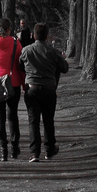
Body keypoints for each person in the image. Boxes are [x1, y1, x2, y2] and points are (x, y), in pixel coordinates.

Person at [19, 22, 68, 162]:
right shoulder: (53, 52)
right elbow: (64, 68)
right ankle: (50, 149)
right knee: (48, 120)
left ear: (33, 35)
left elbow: (20, 66)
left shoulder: (26, 50)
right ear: (47, 36)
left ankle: (34, 153)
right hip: (48, 89)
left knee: (33, 121)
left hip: (32, 89)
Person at [0, 17, 25, 161]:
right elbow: (20, 62)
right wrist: (24, 84)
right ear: (7, 30)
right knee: (12, 116)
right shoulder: (15, 43)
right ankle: (15, 147)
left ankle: (3, 150)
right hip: (12, 83)